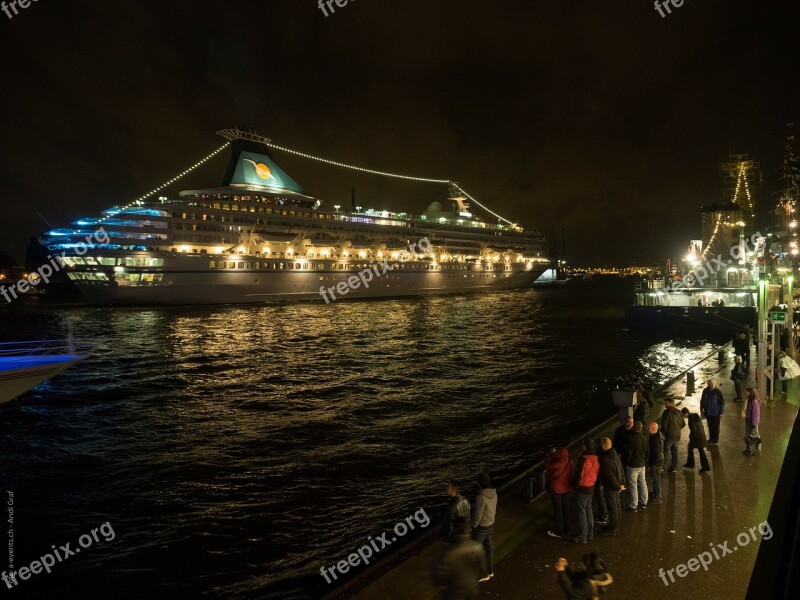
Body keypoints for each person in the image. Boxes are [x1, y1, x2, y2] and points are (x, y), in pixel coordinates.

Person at [432, 521, 486, 600]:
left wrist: (440, 583)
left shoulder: (449, 552)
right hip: (472, 587)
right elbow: (481, 568)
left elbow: (441, 574)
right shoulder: (477, 547)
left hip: (455, 591)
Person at [571, 438, 600, 544]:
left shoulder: (583, 459)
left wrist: (575, 485)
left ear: (585, 447)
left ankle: (583, 536)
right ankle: (590, 534)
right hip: (591, 487)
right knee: (589, 510)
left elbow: (579, 476)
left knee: (582, 512)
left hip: (582, 488)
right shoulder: (596, 458)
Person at [471, 473, 497, 581]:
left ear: (479, 484)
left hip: (481, 527)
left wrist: (473, 526)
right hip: (490, 524)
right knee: (488, 549)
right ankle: (490, 571)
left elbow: (477, 515)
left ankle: (482, 574)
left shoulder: (481, 497)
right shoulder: (494, 494)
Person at [597, 437, 624, 536]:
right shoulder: (615, 454)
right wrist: (622, 483)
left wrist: (618, 486)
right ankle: (614, 526)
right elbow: (621, 469)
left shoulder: (605, 459)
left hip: (611, 487)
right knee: (617, 507)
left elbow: (610, 476)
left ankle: (612, 529)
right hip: (617, 485)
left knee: (613, 508)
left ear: (603, 446)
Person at [545, 448, 574, 539]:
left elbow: (547, 466)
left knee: (558, 511)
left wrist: (550, 456)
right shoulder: (570, 462)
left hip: (556, 490)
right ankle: (567, 529)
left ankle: (559, 531)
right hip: (566, 488)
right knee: (566, 509)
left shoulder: (555, 464)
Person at [624, 421, 649, 511]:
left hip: (633, 465)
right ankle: (643, 502)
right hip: (642, 464)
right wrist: (645, 461)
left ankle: (633, 505)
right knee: (642, 483)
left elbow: (629, 454)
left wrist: (626, 463)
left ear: (634, 428)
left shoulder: (631, 439)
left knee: (633, 485)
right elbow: (647, 452)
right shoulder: (645, 438)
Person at [681, 408, 710, 472]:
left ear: (686, 413)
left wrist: (691, 436)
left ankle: (692, 464)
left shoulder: (691, 419)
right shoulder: (695, 416)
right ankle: (704, 466)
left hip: (697, 438)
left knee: (692, 448)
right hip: (701, 436)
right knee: (699, 450)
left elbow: (694, 430)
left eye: (683, 414)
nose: (683, 416)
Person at [661, 398, 685, 472]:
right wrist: (677, 429)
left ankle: (661, 467)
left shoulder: (667, 412)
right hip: (677, 435)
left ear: (670, 403)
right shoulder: (679, 412)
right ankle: (673, 467)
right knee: (674, 450)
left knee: (664, 450)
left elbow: (664, 425)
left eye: (666, 403)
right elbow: (683, 424)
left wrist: (662, 433)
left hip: (669, 435)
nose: (665, 405)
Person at [700, 379, 724, 445]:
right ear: (708, 384)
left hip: (716, 413)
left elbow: (722, 403)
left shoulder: (718, 392)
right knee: (710, 426)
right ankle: (711, 439)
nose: (712, 385)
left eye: (713, 384)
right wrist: (701, 410)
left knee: (715, 427)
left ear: (715, 384)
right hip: (708, 412)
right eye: (711, 384)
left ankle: (715, 441)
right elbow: (702, 400)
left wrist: (721, 413)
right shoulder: (705, 391)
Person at [647, 422, 665, 503]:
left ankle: (657, 496)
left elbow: (654, 454)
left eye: (649, 428)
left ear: (653, 429)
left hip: (656, 463)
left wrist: (650, 463)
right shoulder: (657, 436)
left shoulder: (655, 440)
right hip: (659, 461)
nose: (647, 429)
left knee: (656, 479)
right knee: (655, 479)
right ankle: (655, 492)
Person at [743, 387, 762, 456]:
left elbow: (756, 413)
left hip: (753, 422)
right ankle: (749, 449)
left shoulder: (754, 401)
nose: (745, 393)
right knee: (748, 436)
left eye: (747, 392)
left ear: (751, 393)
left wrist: (754, 423)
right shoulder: (748, 400)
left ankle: (758, 450)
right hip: (748, 421)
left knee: (756, 436)